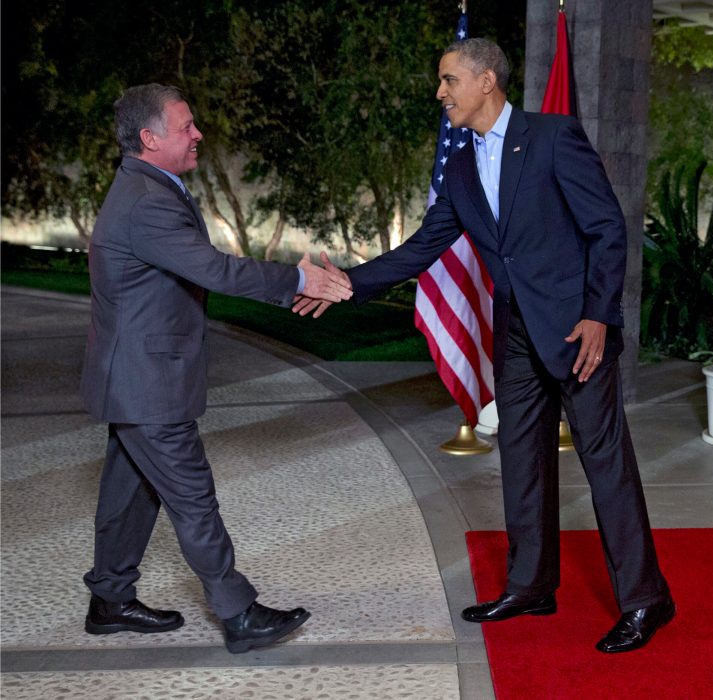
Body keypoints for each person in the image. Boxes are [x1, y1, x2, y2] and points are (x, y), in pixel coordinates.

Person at [294, 39, 674, 653]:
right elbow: (426, 245)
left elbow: (606, 226)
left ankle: (645, 600)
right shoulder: (464, 166)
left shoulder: (554, 137)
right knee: (521, 460)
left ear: (487, 80)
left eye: (448, 80)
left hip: (578, 330)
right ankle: (530, 586)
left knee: (606, 465)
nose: (441, 92)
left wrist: (600, 315)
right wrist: (349, 284)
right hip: (516, 333)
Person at [80, 83, 352, 654]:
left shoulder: (145, 187)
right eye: (186, 126)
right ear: (150, 138)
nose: (198, 133)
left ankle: (109, 600)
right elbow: (216, 271)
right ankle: (239, 613)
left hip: (133, 377)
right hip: (147, 383)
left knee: (130, 494)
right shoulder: (146, 202)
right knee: (192, 496)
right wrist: (299, 280)